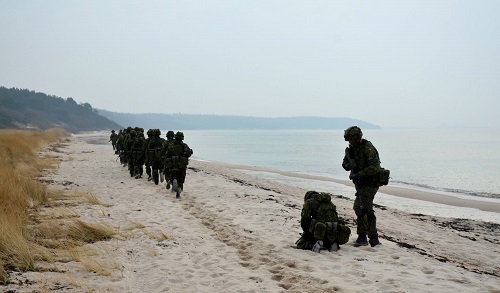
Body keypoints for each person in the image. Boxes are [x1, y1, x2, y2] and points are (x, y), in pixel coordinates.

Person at [342, 126, 381, 247]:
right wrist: (347, 166)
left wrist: (359, 174)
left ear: (357, 138)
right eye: (349, 140)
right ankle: (365, 237)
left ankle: (370, 238)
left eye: (352, 140)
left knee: (363, 208)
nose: (350, 142)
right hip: (360, 183)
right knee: (362, 209)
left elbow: (375, 167)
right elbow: (344, 162)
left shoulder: (368, 149)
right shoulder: (352, 149)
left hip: (370, 183)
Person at [165, 131, 193, 198]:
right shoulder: (184, 145)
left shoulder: (171, 145)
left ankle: (173, 181)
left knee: (173, 174)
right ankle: (178, 192)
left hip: (172, 164)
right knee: (181, 178)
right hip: (181, 165)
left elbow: (167, 155)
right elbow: (188, 153)